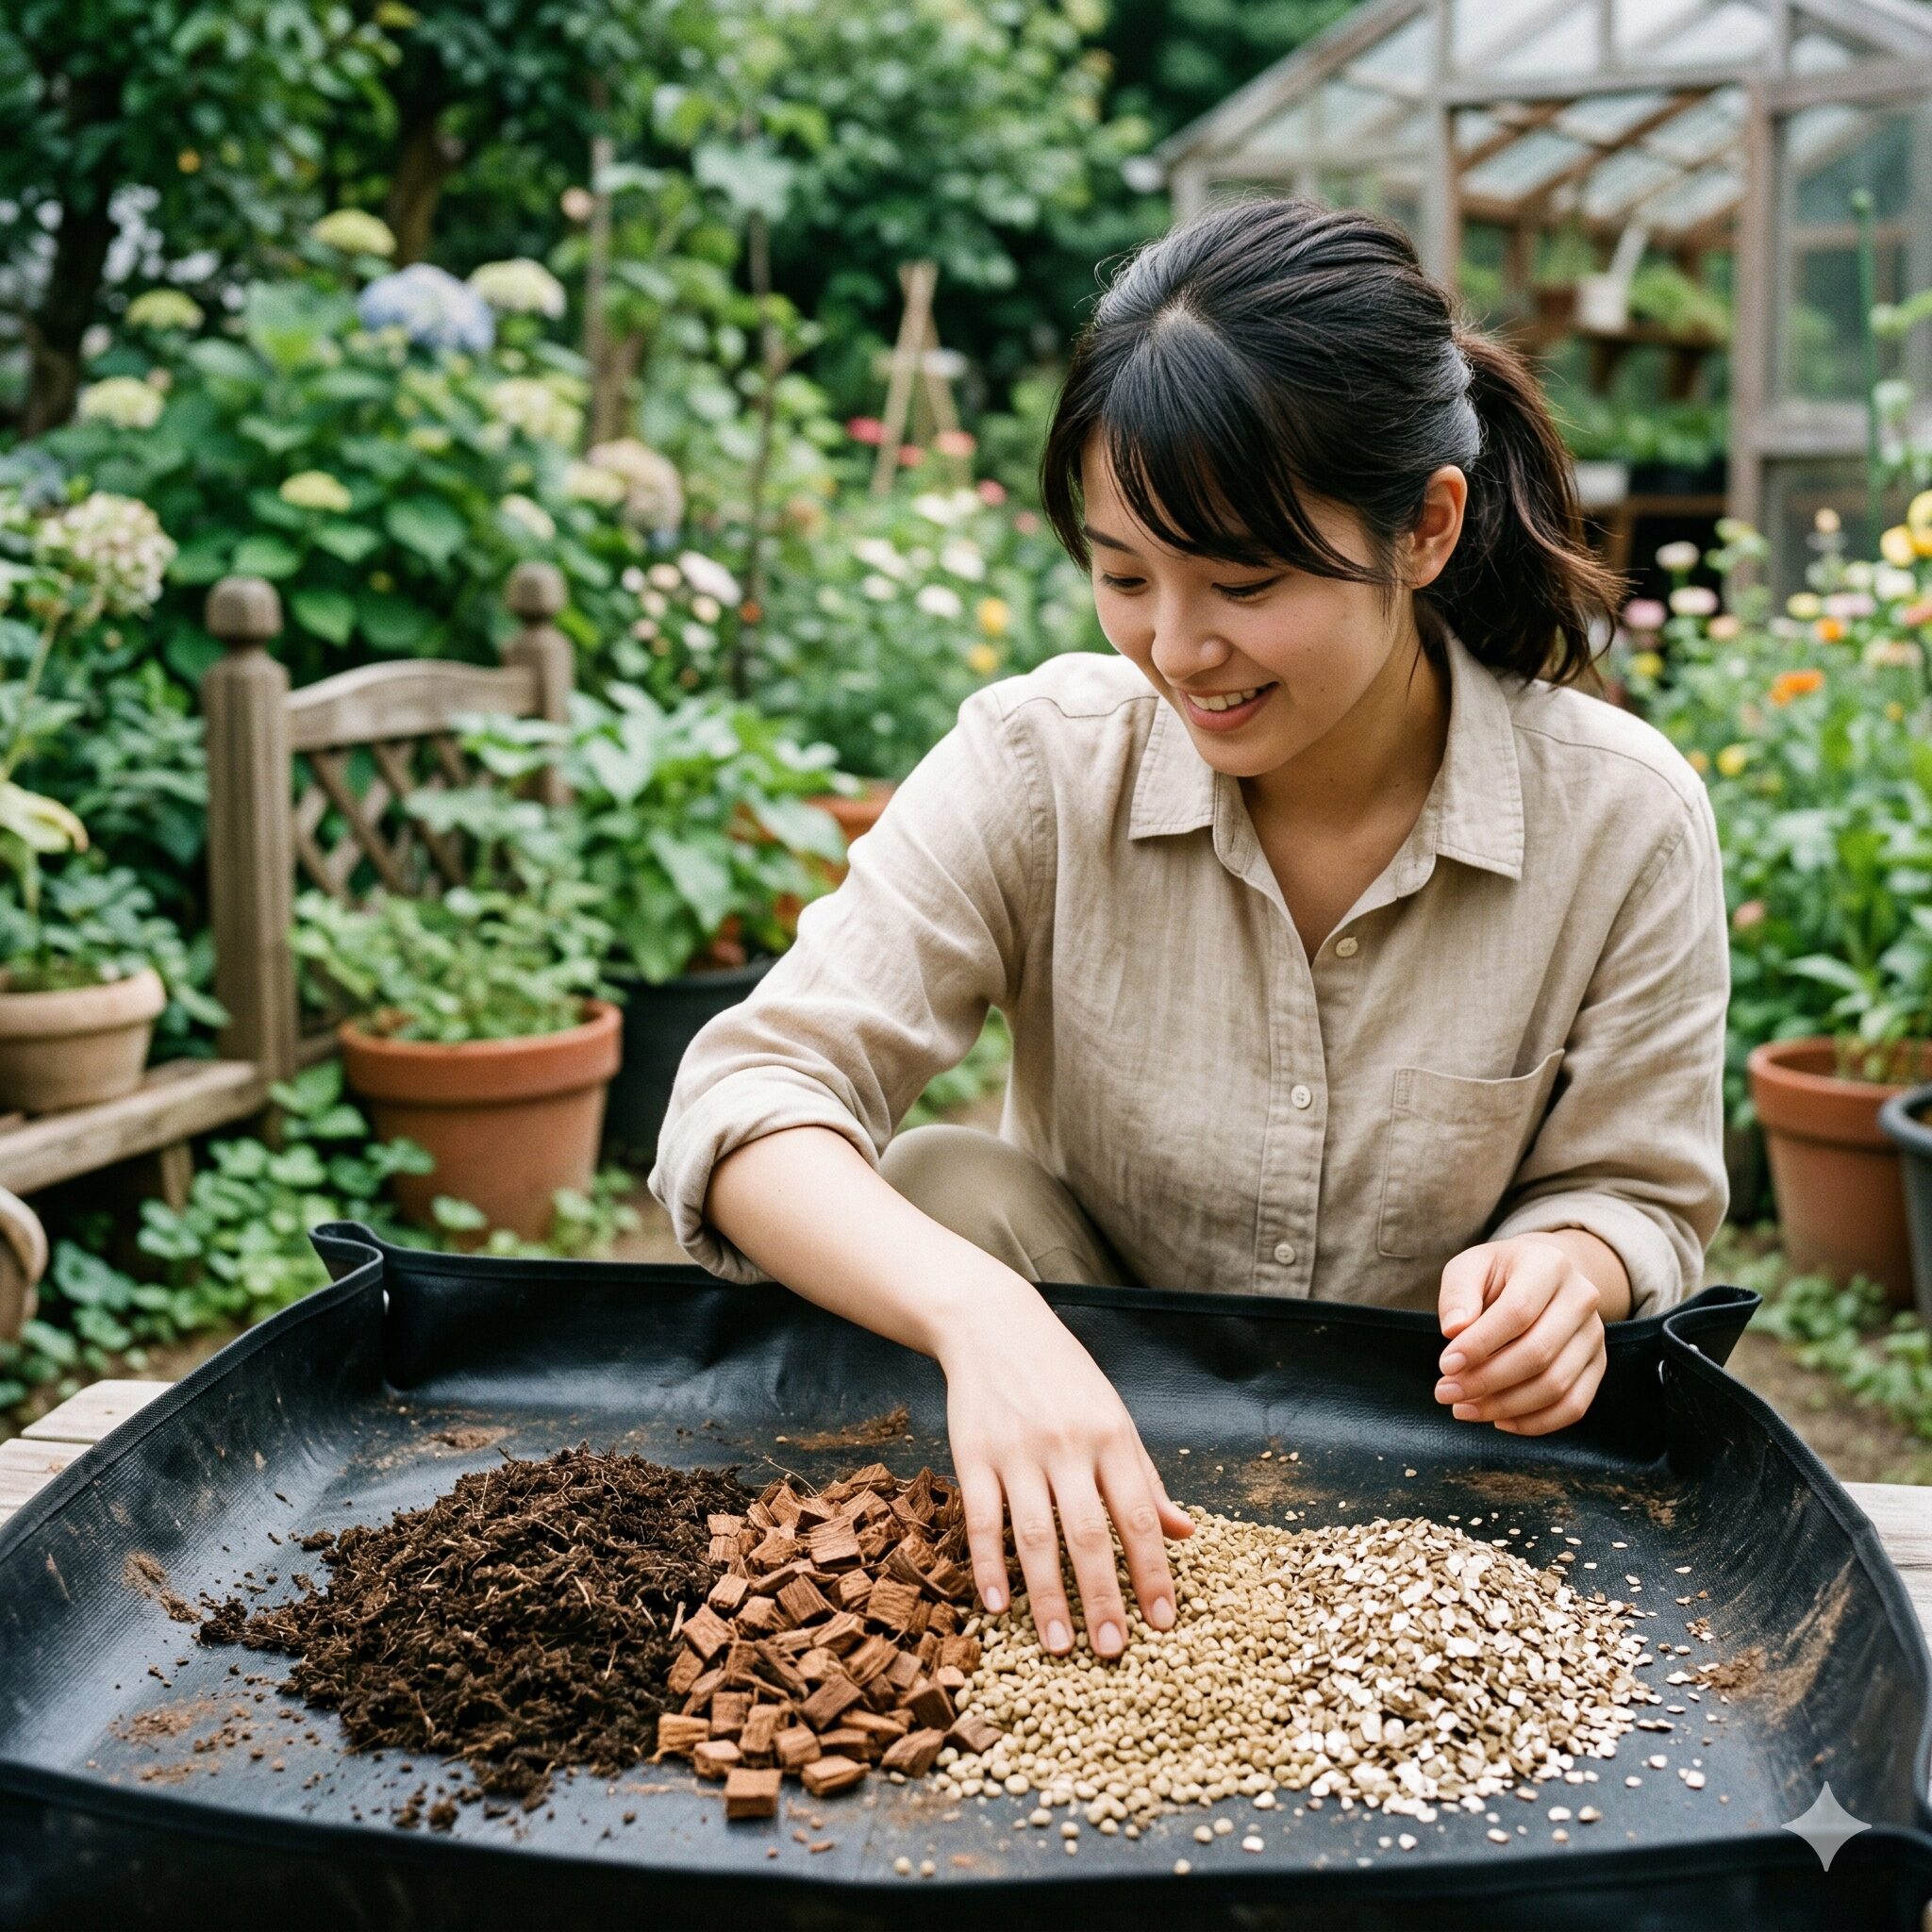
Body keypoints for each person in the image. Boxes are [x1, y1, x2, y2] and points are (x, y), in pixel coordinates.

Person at [649, 196, 1729, 1668]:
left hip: (1429, 1481)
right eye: (1123, 575)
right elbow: (747, 1098)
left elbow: (1638, 1191)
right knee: (940, 1184)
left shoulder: (1621, 819)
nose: (1176, 646)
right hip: (1096, 1459)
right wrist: (987, 1322)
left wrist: (1569, 1268)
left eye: (1245, 582)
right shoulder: (1040, 761)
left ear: (1425, 526)